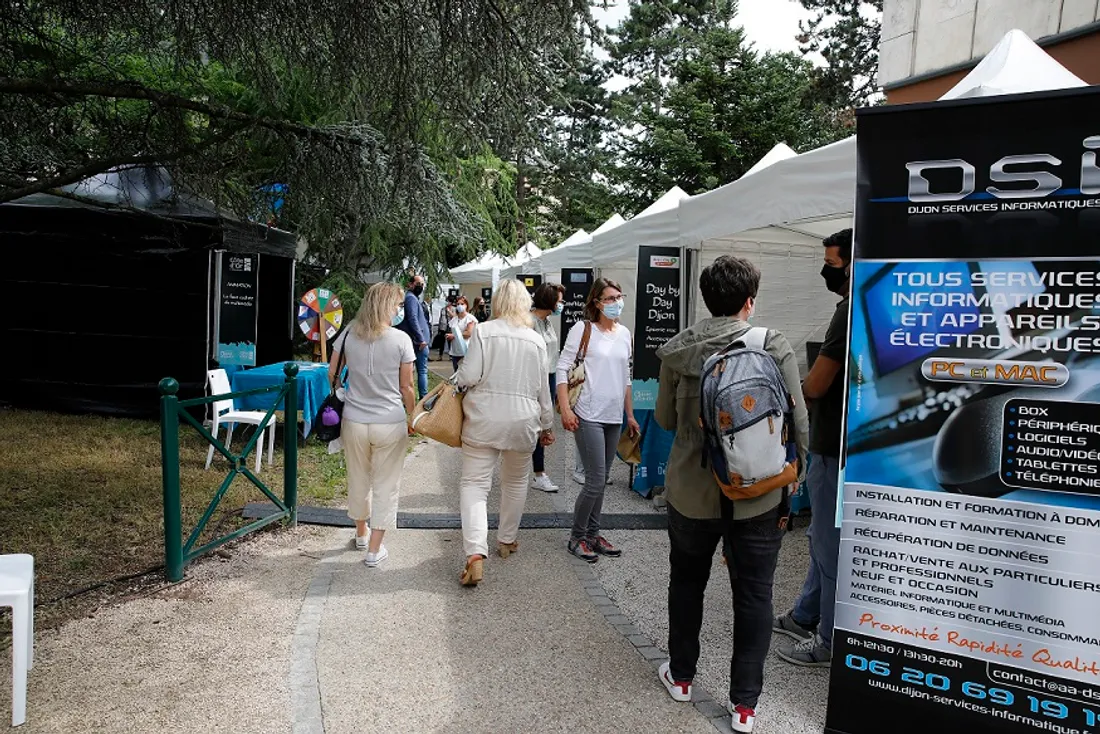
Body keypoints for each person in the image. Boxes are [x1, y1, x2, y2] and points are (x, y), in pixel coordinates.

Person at [653, 256, 808, 734]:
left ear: (706, 299)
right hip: (757, 495)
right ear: (749, 302)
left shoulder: (679, 350)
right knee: (754, 596)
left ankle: (681, 677)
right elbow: (799, 420)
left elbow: (663, 420)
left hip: (692, 494)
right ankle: (744, 707)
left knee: (687, 583)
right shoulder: (771, 343)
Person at [774, 228, 852, 669]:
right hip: (843, 442)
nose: (826, 270)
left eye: (832, 263)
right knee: (824, 536)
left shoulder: (846, 312)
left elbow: (818, 383)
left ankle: (829, 638)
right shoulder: (862, 307)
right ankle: (805, 614)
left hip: (830, 443)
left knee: (827, 541)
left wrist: (794, 390)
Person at [454, 279, 554, 586]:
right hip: (523, 421)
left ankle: (475, 553)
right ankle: (507, 540)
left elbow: (469, 375)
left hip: (484, 418)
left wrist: (455, 384)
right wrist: (547, 425)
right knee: (515, 482)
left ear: (497, 303)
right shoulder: (536, 340)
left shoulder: (484, 331)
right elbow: (543, 391)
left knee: (474, 484)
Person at [329, 282, 416, 568]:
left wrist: (346, 390)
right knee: (386, 485)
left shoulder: (348, 335)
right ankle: (374, 550)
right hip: (389, 421)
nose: (399, 310)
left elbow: (333, 374)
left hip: (354, 419)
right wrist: (412, 416)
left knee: (358, 478)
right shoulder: (401, 340)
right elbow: (407, 387)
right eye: (397, 305)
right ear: (388, 306)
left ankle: (361, 533)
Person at [556, 278, 639, 563]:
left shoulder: (625, 333)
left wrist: (629, 414)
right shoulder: (583, 329)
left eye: (619, 296)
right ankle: (577, 536)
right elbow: (563, 369)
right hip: (588, 413)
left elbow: (626, 377)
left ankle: (593, 533)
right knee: (594, 481)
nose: (617, 303)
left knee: (602, 479)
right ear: (596, 303)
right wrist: (566, 409)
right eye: (610, 298)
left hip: (614, 415)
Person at [530, 283, 565, 493]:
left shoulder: (547, 321)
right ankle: (537, 472)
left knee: (544, 423)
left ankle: (539, 472)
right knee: (533, 424)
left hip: (550, 376)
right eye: (559, 300)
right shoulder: (529, 322)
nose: (562, 304)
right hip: (535, 379)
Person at [397, 274, 431, 399]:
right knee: (421, 371)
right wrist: (421, 338)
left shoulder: (413, 298)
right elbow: (412, 319)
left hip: (417, 341)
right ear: (410, 284)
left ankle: (418, 396)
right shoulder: (411, 298)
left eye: (422, 284)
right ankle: (423, 397)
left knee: (418, 371)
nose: (420, 287)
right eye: (418, 284)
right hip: (418, 342)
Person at [445, 295, 477, 372]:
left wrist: (454, 335)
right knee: (456, 372)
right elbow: (450, 331)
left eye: (462, 304)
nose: (459, 306)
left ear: (466, 305)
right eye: (458, 304)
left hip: (466, 350)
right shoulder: (454, 319)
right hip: (455, 351)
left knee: (465, 372)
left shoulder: (470, 318)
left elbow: (468, 333)